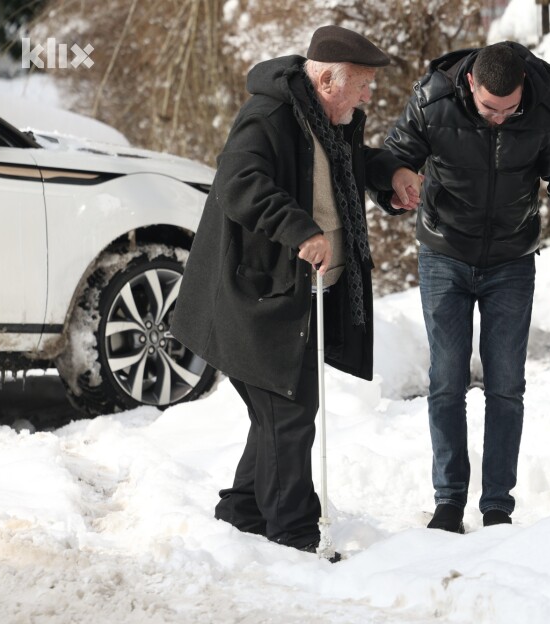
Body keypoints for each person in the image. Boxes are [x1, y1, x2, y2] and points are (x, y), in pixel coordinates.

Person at [170, 25, 420, 558]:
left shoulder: (330, 120)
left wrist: (391, 172)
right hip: (254, 298)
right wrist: (301, 230)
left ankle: (242, 514)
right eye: (363, 85)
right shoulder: (269, 117)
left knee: (276, 417)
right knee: (288, 416)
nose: (369, 96)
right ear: (328, 79)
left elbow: (345, 164)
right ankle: (294, 538)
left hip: (294, 297)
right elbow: (240, 182)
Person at [377, 42, 550, 532]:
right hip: (444, 253)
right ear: (471, 84)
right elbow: (394, 158)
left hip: (512, 260)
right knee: (447, 380)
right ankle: (449, 502)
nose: (499, 118)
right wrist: (396, 184)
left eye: (509, 108)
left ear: (523, 91)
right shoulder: (433, 99)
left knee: (506, 387)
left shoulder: (548, 105)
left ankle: (497, 505)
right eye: (490, 109)